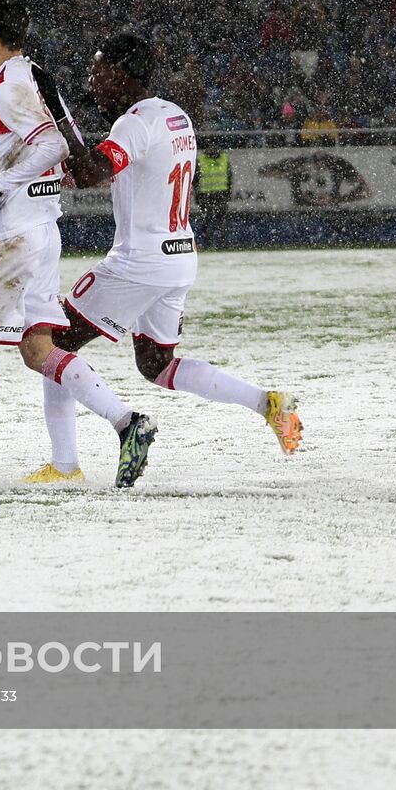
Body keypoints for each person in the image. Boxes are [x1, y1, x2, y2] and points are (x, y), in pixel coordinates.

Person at [0, 0, 155, 492]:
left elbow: (52, 145)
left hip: (8, 235)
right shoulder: (36, 74)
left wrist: (1, 183)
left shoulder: (10, 84)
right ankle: (127, 422)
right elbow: (69, 138)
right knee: (38, 347)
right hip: (43, 227)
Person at [31, 34, 302, 476]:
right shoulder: (176, 115)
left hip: (139, 262)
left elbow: (91, 173)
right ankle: (266, 403)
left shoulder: (135, 123)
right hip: (178, 255)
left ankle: (67, 464)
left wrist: (59, 115)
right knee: (157, 364)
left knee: (52, 344)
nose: (92, 80)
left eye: (98, 70)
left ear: (121, 73)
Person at [195, 142, 230, 246]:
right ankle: (208, 241)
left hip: (219, 193)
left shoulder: (223, 158)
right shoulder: (201, 160)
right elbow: (196, 180)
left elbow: (229, 176)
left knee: (219, 219)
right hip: (206, 194)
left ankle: (220, 241)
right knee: (208, 219)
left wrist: (228, 192)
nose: (212, 148)